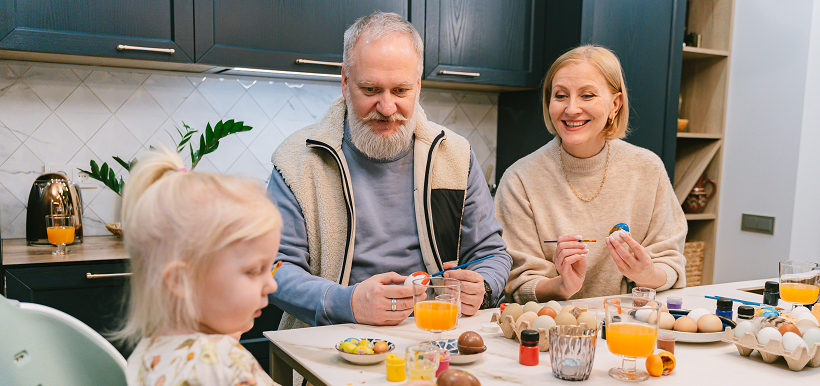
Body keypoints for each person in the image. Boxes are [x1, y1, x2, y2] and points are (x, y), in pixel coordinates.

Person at [267, 11, 511, 330]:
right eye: (370, 90)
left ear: (419, 85)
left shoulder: (456, 154)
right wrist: (346, 302)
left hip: (438, 337)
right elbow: (273, 267)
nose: (386, 108)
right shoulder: (296, 160)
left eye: (400, 91)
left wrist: (484, 285)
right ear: (344, 81)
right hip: (332, 339)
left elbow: (492, 253)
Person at [495, 45, 687, 303]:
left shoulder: (647, 169)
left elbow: (671, 263)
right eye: (561, 95)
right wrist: (562, 286)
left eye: (587, 95)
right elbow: (518, 283)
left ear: (615, 105)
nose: (572, 109)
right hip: (552, 329)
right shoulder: (519, 179)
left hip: (626, 325)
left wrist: (647, 273)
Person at [115, 147, 282, 386]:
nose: (272, 284)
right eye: (254, 270)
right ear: (182, 280)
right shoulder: (221, 361)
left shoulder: (145, 354)